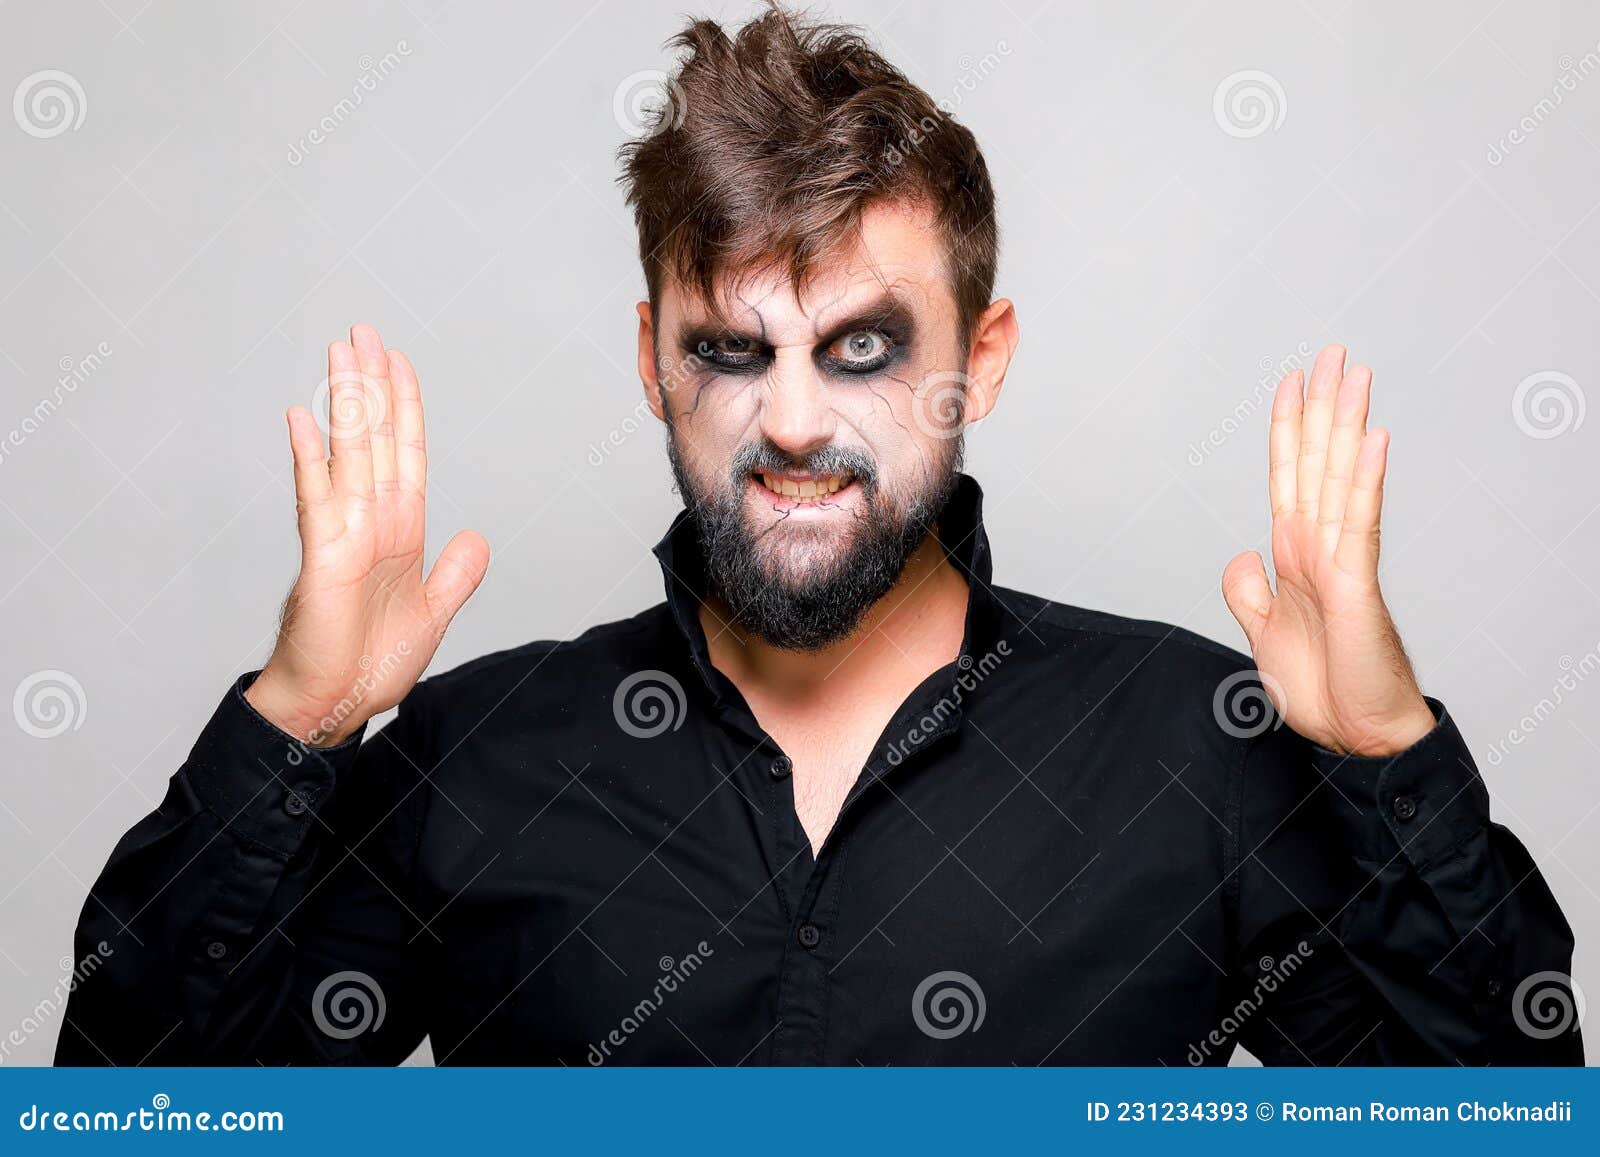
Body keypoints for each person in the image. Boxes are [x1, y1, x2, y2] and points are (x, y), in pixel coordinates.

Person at [57, 6, 1580, 1066]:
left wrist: (1387, 754)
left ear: (978, 361)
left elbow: (1501, 1118)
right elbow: (133, 1116)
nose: (791, 422)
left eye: (861, 347)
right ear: (653, 356)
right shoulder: (477, 758)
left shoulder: (1199, 751)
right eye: (733, 350)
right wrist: (295, 726)